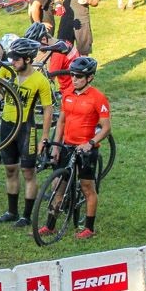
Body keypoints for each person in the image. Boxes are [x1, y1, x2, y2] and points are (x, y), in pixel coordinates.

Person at [44, 56, 111, 240]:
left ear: (89, 78)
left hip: (86, 149)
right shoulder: (68, 93)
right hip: (67, 146)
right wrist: (57, 146)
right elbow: (62, 122)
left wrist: (90, 143)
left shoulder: (98, 98)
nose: (74, 79)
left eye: (79, 76)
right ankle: (49, 226)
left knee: (87, 187)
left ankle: (88, 228)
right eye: (72, 75)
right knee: (58, 185)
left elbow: (106, 128)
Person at [0, 39, 54, 228]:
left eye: (16, 59)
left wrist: (44, 136)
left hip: (26, 129)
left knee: (28, 172)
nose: (12, 62)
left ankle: (26, 215)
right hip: (6, 125)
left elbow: (48, 109)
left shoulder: (40, 81)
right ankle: (12, 211)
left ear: (28, 59)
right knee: (10, 169)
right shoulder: (8, 71)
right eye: (11, 58)